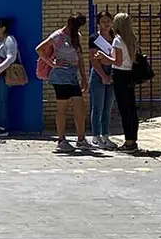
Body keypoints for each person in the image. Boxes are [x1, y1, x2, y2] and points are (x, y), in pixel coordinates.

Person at [36, 13, 92, 152]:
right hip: (60, 75)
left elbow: (79, 57)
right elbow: (39, 49)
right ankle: (61, 140)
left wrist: (84, 78)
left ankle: (81, 139)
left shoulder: (76, 36)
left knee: (79, 106)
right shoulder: (57, 36)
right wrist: (52, 63)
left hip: (72, 74)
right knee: (62, 107)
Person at [94, 12, 140, 153]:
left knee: (124, 109)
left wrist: (103, 56)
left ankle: (128, 142)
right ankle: (133, 139)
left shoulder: (118, 40)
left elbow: (117, 61)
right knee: (131, 108)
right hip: (130, 74)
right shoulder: (132, 39)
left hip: (120, 74)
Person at [89, 10, 118, 150]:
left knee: (108, 107)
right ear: (98, 23)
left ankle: (105, 135)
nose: (106, 24)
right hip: (99, 74)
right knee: (98, 107)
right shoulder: (94, 38)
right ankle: (96, 136)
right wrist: (104, 76)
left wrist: (111, 75)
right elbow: (94, 60)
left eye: (108, 21)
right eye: (103, 21)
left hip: (113, 73)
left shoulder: (116, 37)